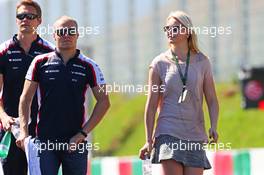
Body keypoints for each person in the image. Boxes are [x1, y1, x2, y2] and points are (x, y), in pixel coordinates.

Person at [16, 16, 110, 175]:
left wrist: (82, 134)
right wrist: (24, 132)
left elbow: (104, 102)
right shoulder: (40, 62)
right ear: (54, 36)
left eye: (71, 31)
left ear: (77, 35)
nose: (66, 35)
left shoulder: (89, 65)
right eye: (61, 32)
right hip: (45, 143)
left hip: (76, 142)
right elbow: (25, 99)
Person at [139, 11, 219, 175]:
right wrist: (148, 140)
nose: (170, 32)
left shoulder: (202, 61)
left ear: (188, 31)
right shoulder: (158, 63)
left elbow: (211, 99)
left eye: (175, 28)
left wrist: (214, 126)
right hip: (168, 132)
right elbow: (152, 104)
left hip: (195, 134)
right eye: (167, 28)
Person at [0, 0, 54, 174]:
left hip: (42, 129)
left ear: (39, 21)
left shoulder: (50, 52)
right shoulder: (4, 51)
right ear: (16, 20)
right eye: (21, 16)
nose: (25, 20)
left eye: (30, 16)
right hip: (12, 128)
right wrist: (3, 116)